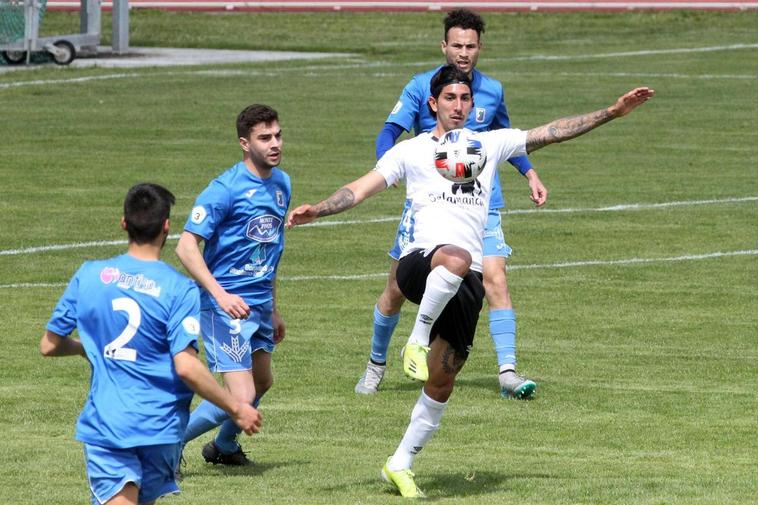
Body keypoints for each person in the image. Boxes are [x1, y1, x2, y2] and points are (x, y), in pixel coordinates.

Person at [287, 64, 654, 498]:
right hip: (420, 263)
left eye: (464, 99)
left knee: (444, 377)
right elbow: (360, 189)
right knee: (457, 256)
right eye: (449, 99)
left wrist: (611, 112)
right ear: (433, 104)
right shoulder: (412, 151)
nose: (458, 106)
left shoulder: (490, 144)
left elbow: (551, 131)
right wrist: (319, 209)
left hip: (465, 281)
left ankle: (399, 463)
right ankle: (416, 338)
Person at [355, 9, 542, 399]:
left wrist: (529, 173)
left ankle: (507, 371)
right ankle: (375, 365)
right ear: (444, 46)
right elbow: (389, 132)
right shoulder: (422, 86)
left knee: (496, 279)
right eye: (456, 45)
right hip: (430, 205)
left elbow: (507, 138)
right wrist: (387, 169)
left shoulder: (492, 90)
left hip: (482, 202)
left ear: (480, 48)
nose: (463, 52)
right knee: (394, 291)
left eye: (470, 46)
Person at [40, 183, 262, 505]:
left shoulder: (88, 276)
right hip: (162, 428)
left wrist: (83, 347)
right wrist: (236, 407)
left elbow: (49, 345)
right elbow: (185, 363)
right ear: (167, 227)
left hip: (110, 424)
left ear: (124, 223)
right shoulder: (179, 288)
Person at [175, 104, 290, 468]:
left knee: (262, 382)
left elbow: (271, 250)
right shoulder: (224, 189)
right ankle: (164, 446)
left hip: (258, 305)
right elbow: (185, 245)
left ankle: (223, 447)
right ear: (245, 143)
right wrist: (220, 295)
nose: (275, 144)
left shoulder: (281, 184)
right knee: (242, 396)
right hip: (223, 307)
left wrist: (273, 308)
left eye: (278, 135)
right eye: (264, 138)